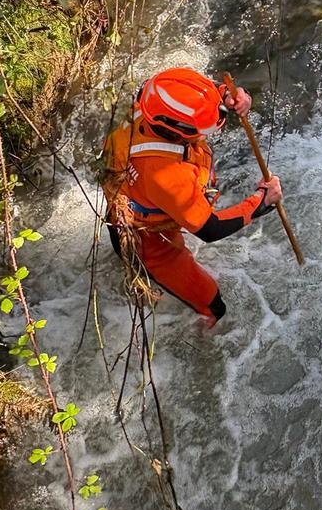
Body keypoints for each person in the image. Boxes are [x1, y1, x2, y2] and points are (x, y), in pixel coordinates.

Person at [102, 67, 281, 327]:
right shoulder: (164, 175)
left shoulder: (151, 100)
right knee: (213, 305)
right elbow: (209, 229)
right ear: (177, 131)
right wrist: (261, 202)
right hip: (150, 243)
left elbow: (192, 92)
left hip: (135, 204)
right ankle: (201, 338)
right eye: (205, 127)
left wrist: (229, 96)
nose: (212, 130)